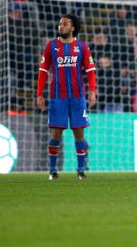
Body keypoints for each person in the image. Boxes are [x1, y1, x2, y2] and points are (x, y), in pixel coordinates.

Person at [37, 14, 97, 180]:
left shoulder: (82, 47)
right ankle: (53, 170)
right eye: (60, 24)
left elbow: (90, 71)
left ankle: (80, 170)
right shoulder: (51, 46)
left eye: (65, 24)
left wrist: (93, 91)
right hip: (57, 98)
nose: (61, 26)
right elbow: (43, 71)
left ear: (72, 28)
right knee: (56, 134)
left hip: (78, 98)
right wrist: (39, 93)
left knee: (79, 133)